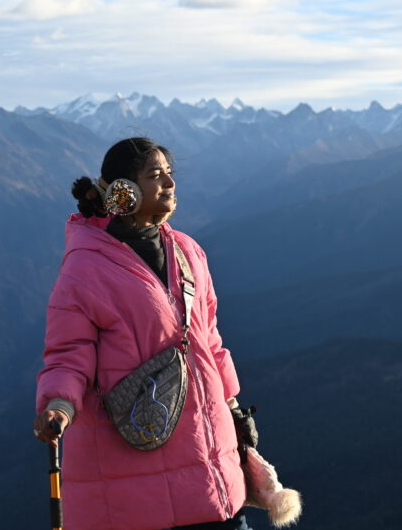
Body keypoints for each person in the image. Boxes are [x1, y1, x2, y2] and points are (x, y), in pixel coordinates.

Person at [34, 137, 250, 530]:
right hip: (134, 490)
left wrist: (233, 407)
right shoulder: (87, 267)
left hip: (210, 469)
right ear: (124, 191)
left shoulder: (189, 251)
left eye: (170, 173)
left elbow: (210, 341)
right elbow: (68, 352)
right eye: (156, 175)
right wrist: (59, 405)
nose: (170, 183)